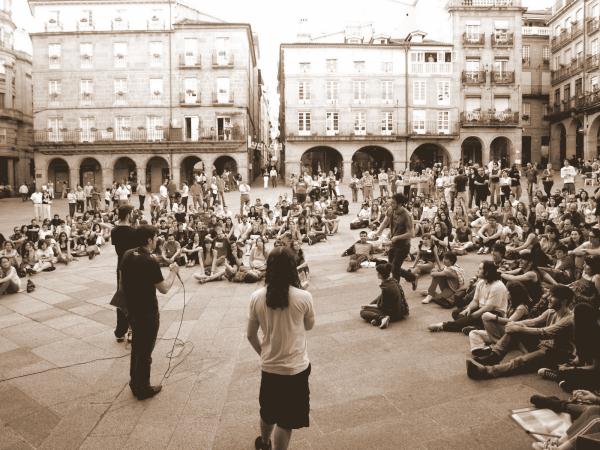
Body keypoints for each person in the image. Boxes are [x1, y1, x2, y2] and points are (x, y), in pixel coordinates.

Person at [247, 246, 315, 450]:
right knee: (286, 421)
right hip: (296, 367)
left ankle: (264, 443)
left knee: (268, 412)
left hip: (270, 367)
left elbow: (250, 335)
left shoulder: (257, 297)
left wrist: (264, 354)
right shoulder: (303, 297)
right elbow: (308, 326)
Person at [467, 284, 575, 380]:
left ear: (564, 301)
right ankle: (494, 356)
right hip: (544, 346)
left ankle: (487, 372)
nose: (549, 299)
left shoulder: (568, 319)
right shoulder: (551, 312)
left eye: (553, 297)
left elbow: (545, 332)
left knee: (519, 361)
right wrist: (515, 324)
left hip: (555, 354)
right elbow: (533, 321)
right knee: (514, 331)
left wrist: (519, 328)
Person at [120, 225, 179, 400]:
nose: (157, 240)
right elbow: (164, 288)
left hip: (132, 309)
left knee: (137, 347)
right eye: (155, 237)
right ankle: (143, 388)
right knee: (145, 351)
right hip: (147, 312)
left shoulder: (128, 254)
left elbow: (122, 281)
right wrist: (173, 273)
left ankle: (134, 382)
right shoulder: (149, 261)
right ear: (148, 240)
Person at [374, 193, 417, 286]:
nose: (391, 205)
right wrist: (377, 233)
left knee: (395, 268)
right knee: (391, 267)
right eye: (391, 203)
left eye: (393, 203)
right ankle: (412, 277)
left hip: (403, 245)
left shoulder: (407, 215)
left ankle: (396, 288)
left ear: (400, 204)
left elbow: (412, 234)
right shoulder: (391, 210)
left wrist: (397, 237)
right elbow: (385, 222)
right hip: (393, 244)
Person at [111, 205, 138, 343]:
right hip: (133, 266)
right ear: (128, 215)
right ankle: (132, 330)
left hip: (120, 266)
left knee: (122, 296)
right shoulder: (134, 232)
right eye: (132, 213)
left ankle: (120, 331)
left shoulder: (114, 231)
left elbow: (118, 249)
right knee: (133, 298)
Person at [360, 262, 409, 329]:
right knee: (369, 307)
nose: (377, 274)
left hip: (394, 314)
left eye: (378, 273)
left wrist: (369, 306)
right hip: (401, 311)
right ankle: (376, 320)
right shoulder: (393, 281)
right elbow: (380, 297)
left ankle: (382, 318)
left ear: (381, 275)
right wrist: (370, 304)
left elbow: (382, 306)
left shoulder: (386, 288)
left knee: (363, 312)